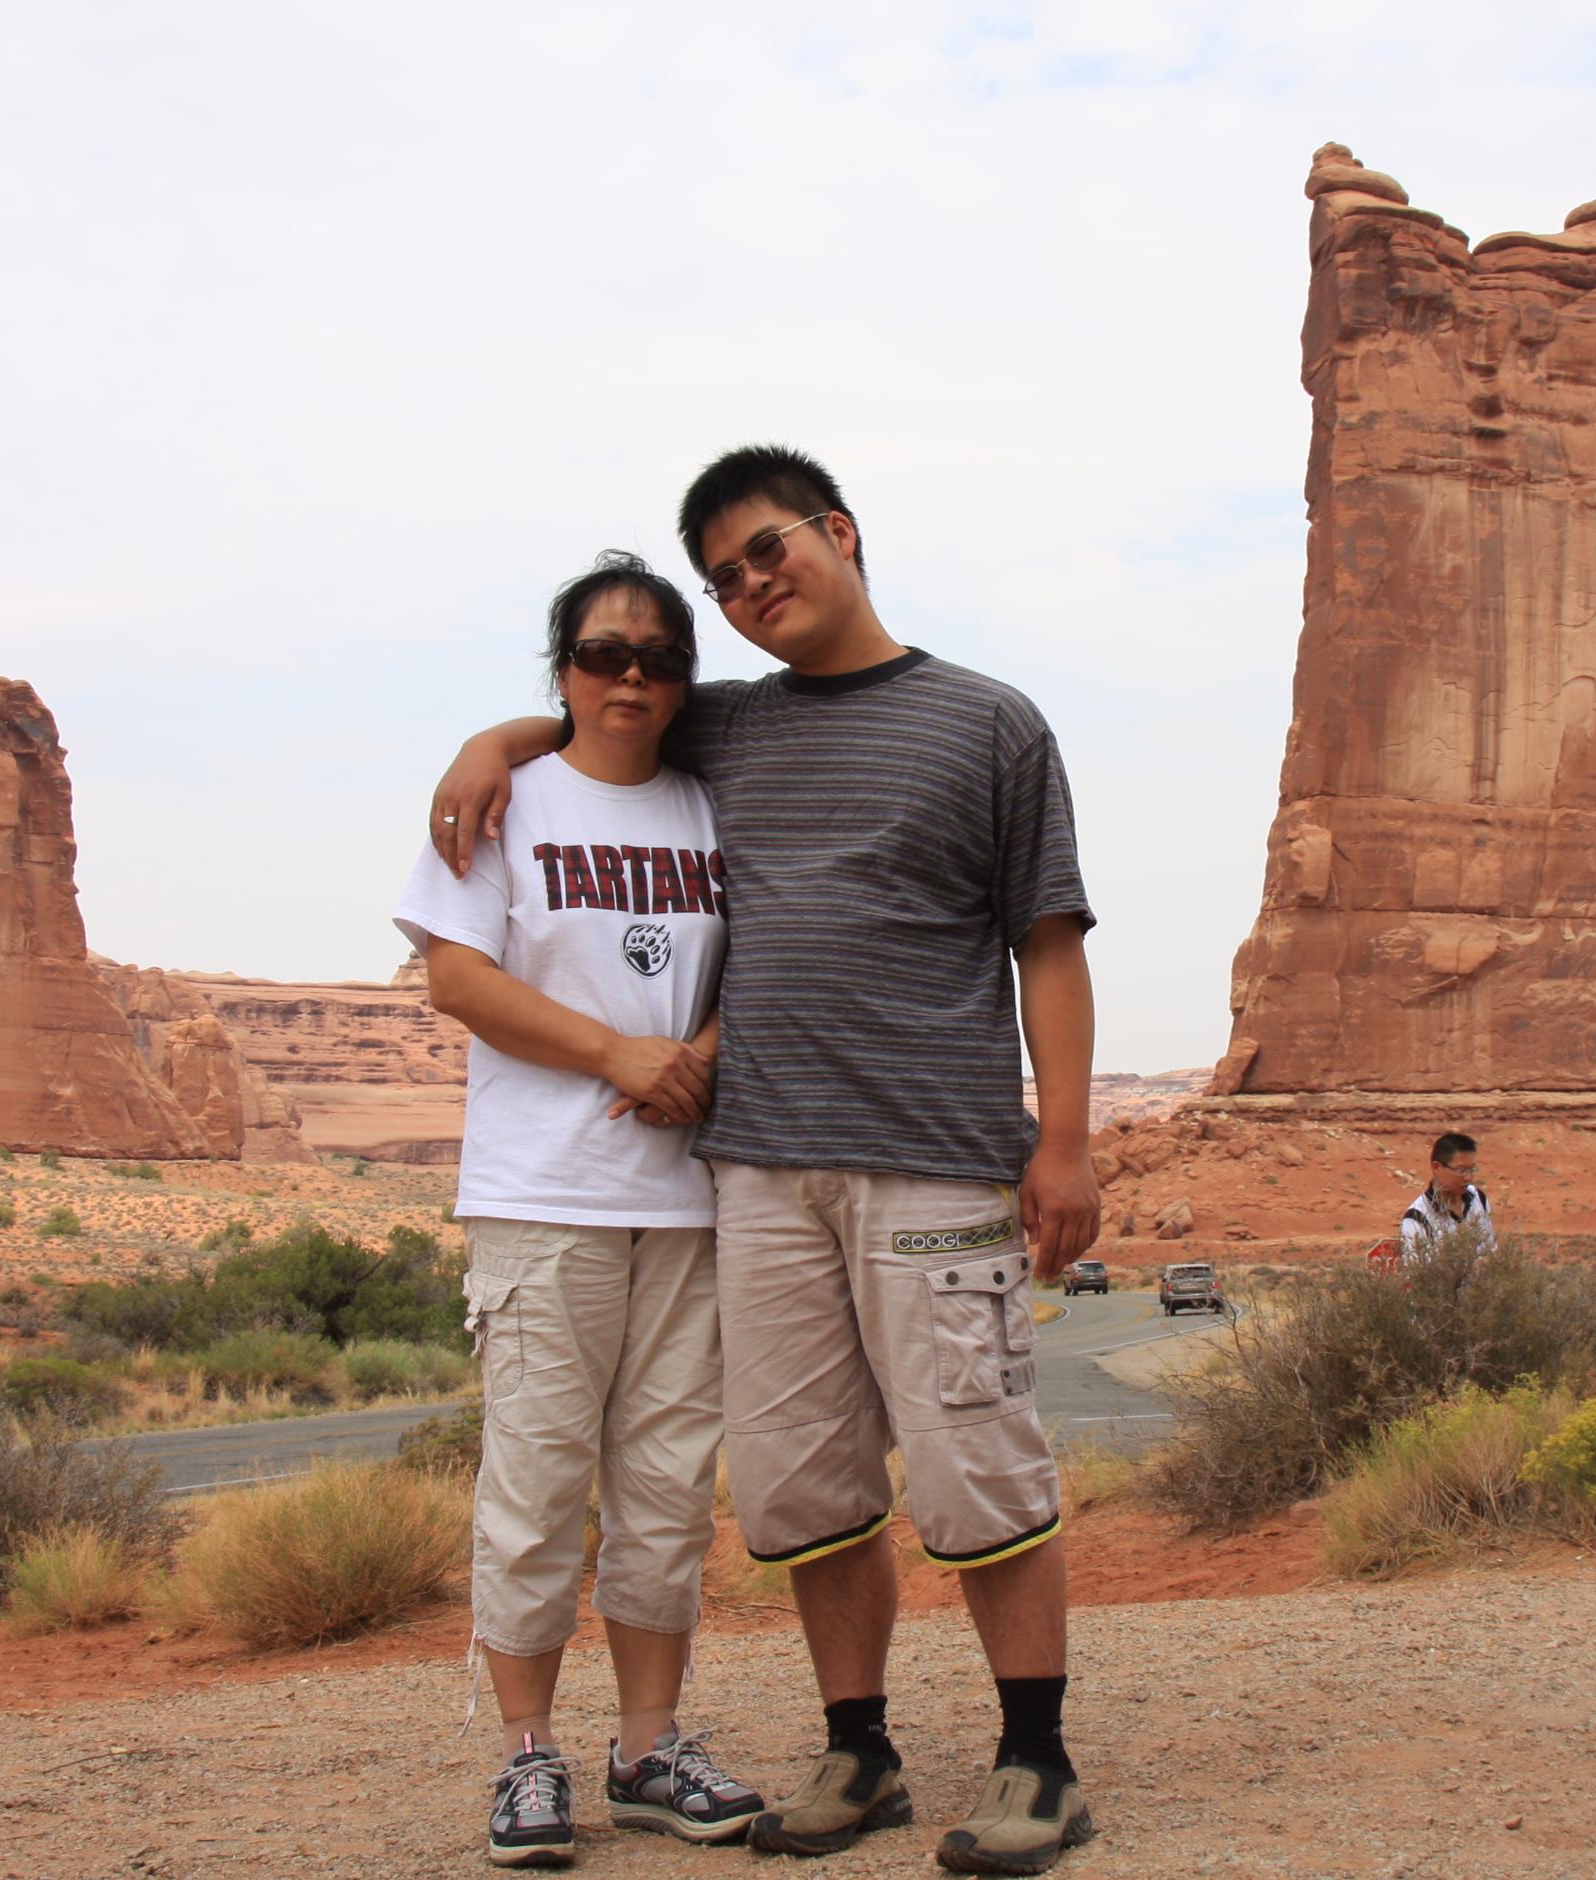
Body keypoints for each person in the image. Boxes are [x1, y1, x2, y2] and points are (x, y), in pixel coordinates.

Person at [430, 445, 1101, 1875]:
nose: (749, 587)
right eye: (724, 578)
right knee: (804, 1486)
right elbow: (598, 722)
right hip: (755, 1175)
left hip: (928, 1156)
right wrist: (492, 742)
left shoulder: (990, 722)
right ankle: (859, 1753)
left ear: (839, 533)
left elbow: (1048, 940)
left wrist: (1066, 1139)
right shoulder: (726, 727)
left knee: (976, 1462)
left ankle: (1037, 1762)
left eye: (765, 553)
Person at [394, 551, 765, 1867]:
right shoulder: (506, 803)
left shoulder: (717, 806)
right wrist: (619, 1055)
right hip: (543, 1195)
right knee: (540, 1483)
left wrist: (701, 1056)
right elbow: (455, 979)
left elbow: (764, 960)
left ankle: (651, 1748)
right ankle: (528, 1757)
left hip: (687, 1202)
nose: (632, 678)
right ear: (563, 671)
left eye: (660, 658)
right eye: (606, 654)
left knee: (665, 1491)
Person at [1398, 1130, 1495, 1263]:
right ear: (1436, 1167)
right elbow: (1415, 1277)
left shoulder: (1479, 1198)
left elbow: (1490, 1250)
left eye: (1472, 1169)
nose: (1468, 1177)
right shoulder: (1417, 1218)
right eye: (1461, 1170)